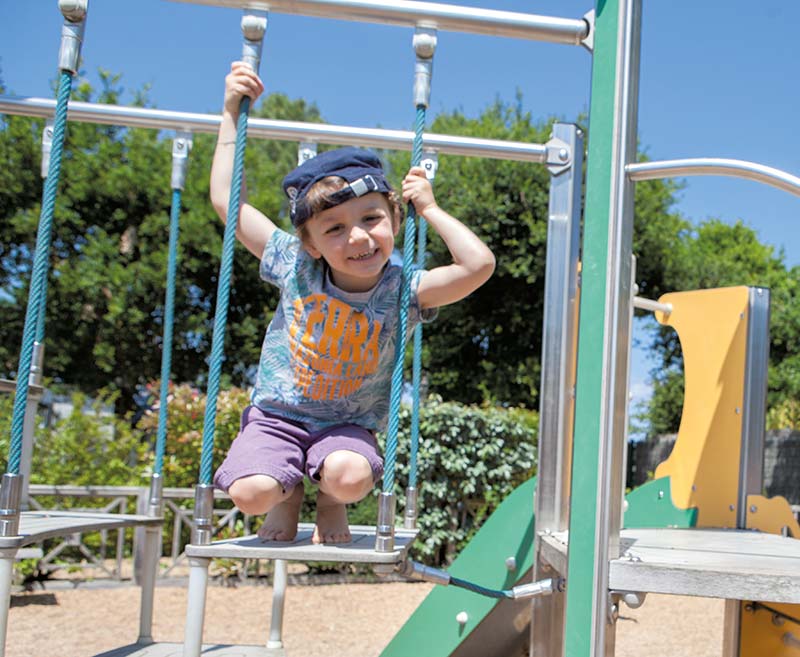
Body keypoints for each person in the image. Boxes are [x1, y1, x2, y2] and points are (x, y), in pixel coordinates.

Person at [209, 61, 495, 545]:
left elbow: (478, 266)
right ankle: (288, 492)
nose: (358, 236)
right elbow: (226, 203)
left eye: (371, 218)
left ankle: (327, 501)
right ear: (313, 243)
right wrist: (231, 113)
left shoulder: (403, 289)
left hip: (348, 426)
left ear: (394, 221)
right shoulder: (294, 264)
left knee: (348, 477)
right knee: (251, 493)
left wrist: (430, 208)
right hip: (278, 417)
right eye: (335, 228)